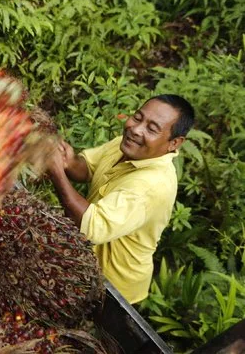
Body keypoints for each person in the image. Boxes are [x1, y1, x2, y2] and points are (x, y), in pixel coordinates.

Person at [46, 94, 195, 304]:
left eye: (151, 129)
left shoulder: (152, 186)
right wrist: (68, 162)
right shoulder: (127, 145)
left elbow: (91, 226)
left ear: (174, 143)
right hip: (83, 261)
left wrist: (57, 173)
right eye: (137, 117)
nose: (136, 129)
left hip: (112, 287)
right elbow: (87, 168)